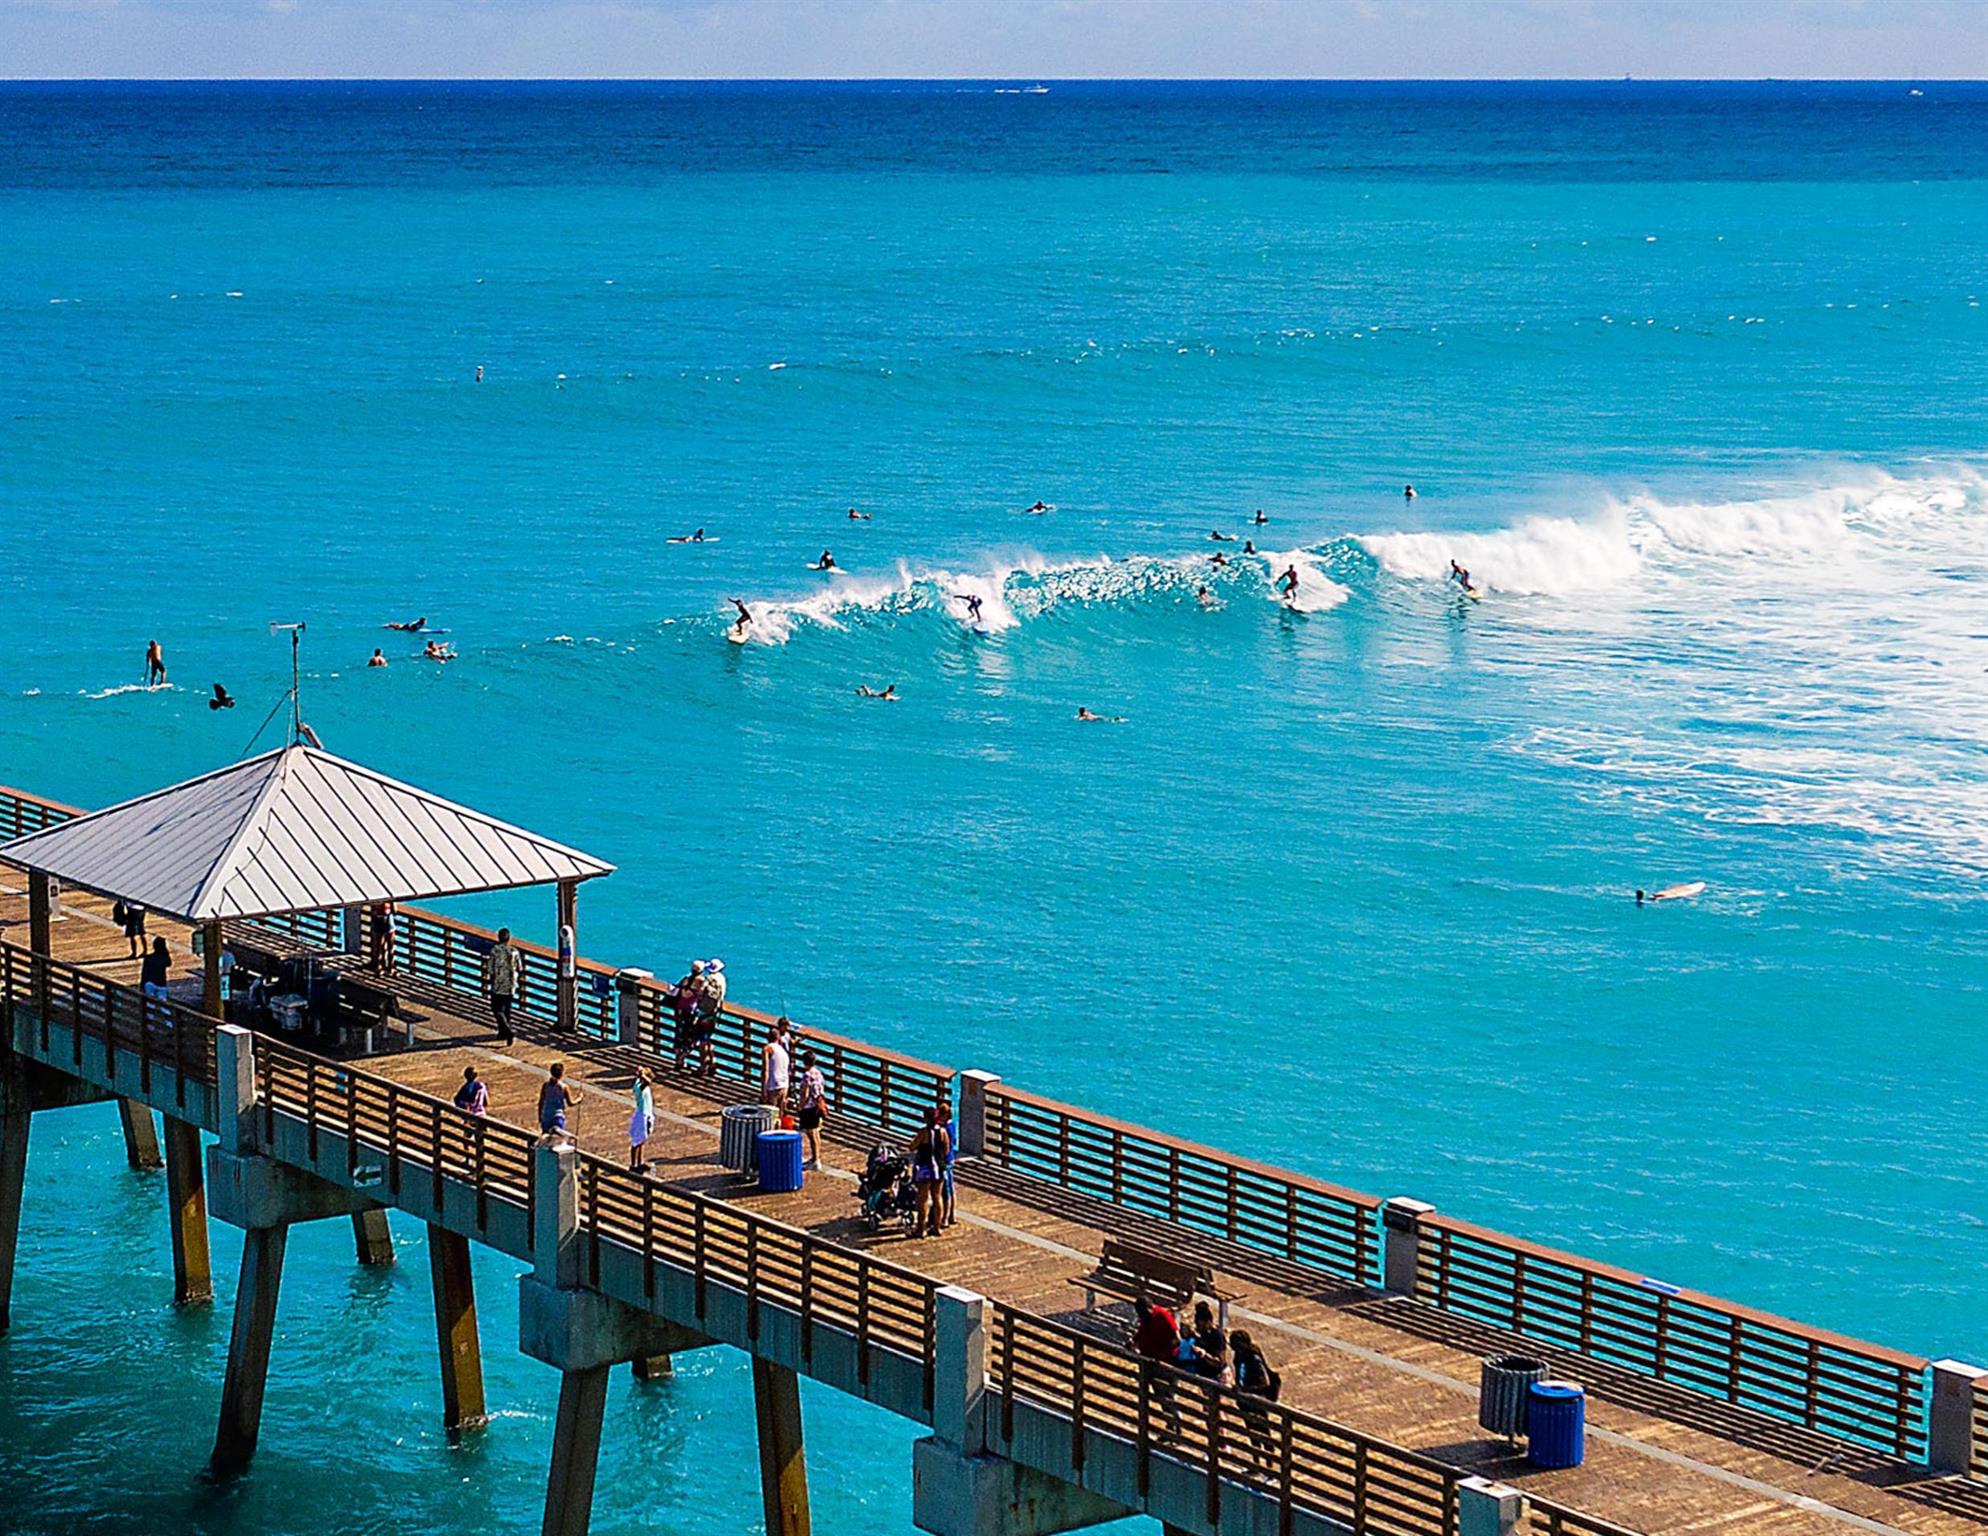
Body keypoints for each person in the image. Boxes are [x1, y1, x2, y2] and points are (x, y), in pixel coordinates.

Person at [1130, 1296, 1184, 1436]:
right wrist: (1134, 1341)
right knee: (1159, 1395)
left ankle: (1176, 1426)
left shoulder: (1163, 1316)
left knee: (1167, 1394)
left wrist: (1162, 1355)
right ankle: (1170, 1426)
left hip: (1165, 1362)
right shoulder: (1145, 1317)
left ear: (1150, 1308)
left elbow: (1177, 1340)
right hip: (1150, 1361)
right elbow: (1142, 1331)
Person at [1231, 1329, 1280, 1465]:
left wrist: (1246, 1389)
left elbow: (1264, 1382)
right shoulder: (1238, 1356)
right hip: (1244, 1401)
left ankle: (1269, 1464)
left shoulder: (1254, 1358)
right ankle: (1256, 1463)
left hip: (1257, 1400)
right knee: (1252, 1432)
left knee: (1263, 1431)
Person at [910, 1104, 950, 1237]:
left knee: (923, 1198)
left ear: (926, 1118)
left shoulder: (924, 1132)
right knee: (937, 1197)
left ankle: (921, 1229)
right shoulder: (943, 1132)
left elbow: (912, 1147)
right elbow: (946, 1150)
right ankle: (937, 1227)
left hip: (925, 1167)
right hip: (939, 1167)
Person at [482, 926, 521, 1045]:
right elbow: (520, 967)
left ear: (498, 938)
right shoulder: (514, 951)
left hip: (498, 984)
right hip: (511, 985)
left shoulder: (495, 951)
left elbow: (490, 969)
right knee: (506, 1009)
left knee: (496, 1009)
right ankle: (503, 1033)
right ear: (509, 938)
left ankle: (508, 1031)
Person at [794, 1047, 827, 1170]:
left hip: (809, 1108)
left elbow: (805, 1093)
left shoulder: (807, 1075)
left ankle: (815, 1160)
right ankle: (816, 1158)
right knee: (816, 1132)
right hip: (817, 1105)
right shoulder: (818, 1073)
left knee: (810, 1133)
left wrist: (800, 1107)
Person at [537, 1063, 579, 1143]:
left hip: (546, 1115)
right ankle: (559, 1132)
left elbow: (541, 1102)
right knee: (557, 1138)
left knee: (546, 1138)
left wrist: (540, 1116)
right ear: (562, 1073)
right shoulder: (564, 1087)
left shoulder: (546, 1086)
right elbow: (570, 1103)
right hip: (558, 1116)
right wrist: (579, 1099)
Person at [761, 1015, 792, 1113]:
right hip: (784, 1085)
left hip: (774, 1086)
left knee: (769, 1114)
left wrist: (764, 1090)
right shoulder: (784, 1052)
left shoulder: (767, 1049)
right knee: (780, 1114)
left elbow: (765, 1070)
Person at [628, 1067, 654, 1172]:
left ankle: (640, 1162)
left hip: (646, 1113)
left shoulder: (640, 1084)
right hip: (642, 1115)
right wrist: (642, 1075)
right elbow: (648, 1082)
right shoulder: (640, 1086)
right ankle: (633, 1164)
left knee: (642, 1139)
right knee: (637, 1141)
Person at [140, 935, 171, 999]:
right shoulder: (164, 957)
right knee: (162, 1002)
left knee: (150, 1001)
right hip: (161, 983)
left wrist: (141, 986)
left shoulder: (148, 958)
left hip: (149, 983)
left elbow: (144, 973)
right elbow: (169, 963)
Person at [368, 900, 396, 972]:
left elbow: (373, 911)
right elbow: (395, 910)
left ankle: (379, 966)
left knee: (379, 946)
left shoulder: (375, 899)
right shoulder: (389, 898)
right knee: (389, 946)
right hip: (388, 921)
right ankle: (390, 966)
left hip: (380, 921)